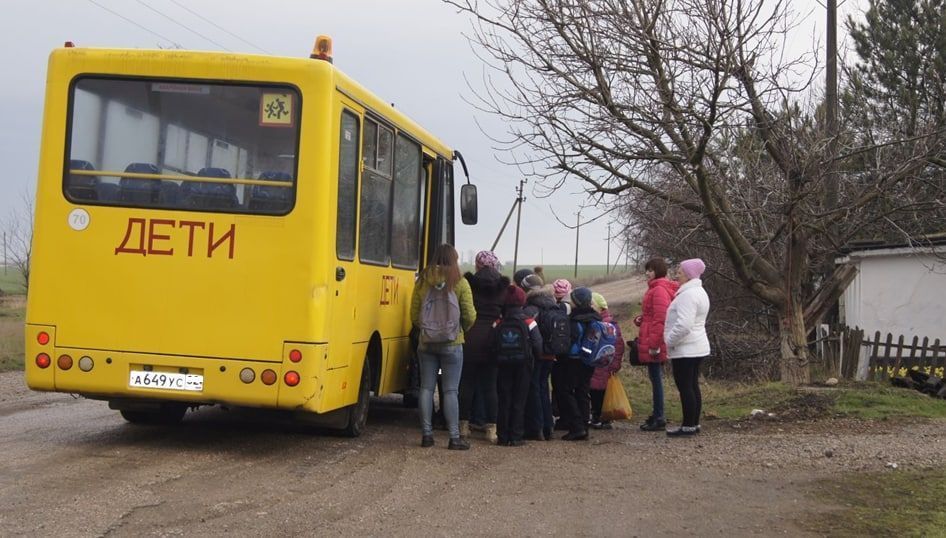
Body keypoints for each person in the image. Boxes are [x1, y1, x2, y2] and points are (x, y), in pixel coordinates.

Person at [410, 244, 476, 449]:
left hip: (426, 343)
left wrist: (427, 330)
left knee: (426, 388)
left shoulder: (422, 281)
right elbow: (469, 314)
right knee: (450, 391)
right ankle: (454, 437)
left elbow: (414, 314)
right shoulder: (460, 282)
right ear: (454, 260)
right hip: (452, 343)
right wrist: (458, 330)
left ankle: (427, 435)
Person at [460, 250, 509, 444]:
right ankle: (491, 429)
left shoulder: (468, 285)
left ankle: (463, 426)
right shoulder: (503, 288)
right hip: (493, 341)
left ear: (477, 265)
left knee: (466, 384)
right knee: (490, 386)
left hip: (470, 339)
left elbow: (464, 311)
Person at [664, 258, 711, 437]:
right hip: (697, 345)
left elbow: (684, 325)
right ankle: (693, 423)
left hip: (686, 348)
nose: (677, 275)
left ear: (689, 275)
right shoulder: (699, 292)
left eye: (681, 272)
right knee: (692, 385)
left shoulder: (688, 295)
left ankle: (688, 425)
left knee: (686, 386)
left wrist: (669, 340)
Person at [494, 285, 543, 446]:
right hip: (524, 365)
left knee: (504, 399)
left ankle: (502, 436)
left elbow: (492, 343)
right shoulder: (529, 321)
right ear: (522, 301)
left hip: (502, 364)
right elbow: (537, 344)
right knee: (519, 400)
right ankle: (516, 436)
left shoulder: (499, 322)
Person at [636, 257, 678, 431]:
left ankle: (659, 416)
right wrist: (642, 320)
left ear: (658, 271)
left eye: (651, 270)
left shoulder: (658, 289)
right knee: (655, 378)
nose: (647, 273)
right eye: (647, 270)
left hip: (654, 342)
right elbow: (653, 315)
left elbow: (661, 319)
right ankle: (657, 413)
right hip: (651, 337)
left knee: (656, 379)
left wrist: (654, 344)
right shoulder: (655, 288)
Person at [553, 286, 599, 441]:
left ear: (576, 302)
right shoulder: (595, 317)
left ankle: (577, 426)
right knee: (583, 391)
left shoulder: (574, 319)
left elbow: (569, 341)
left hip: (574, 359)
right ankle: (584, 426)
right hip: (590, 360)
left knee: (566, 391)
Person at [522, 273, 557, 440]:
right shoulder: (552, 304)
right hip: (551, 353)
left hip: (536, 354)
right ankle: (548, 426)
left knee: (534, 388)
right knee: (544, 388)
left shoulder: (530, 308)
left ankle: (536, 427)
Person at [588, 292, 623, 429]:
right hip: (600, 362)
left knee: (599, 391)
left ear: (601, 307)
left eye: (592, 305)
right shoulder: (601, 322)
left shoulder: (607, 324)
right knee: (595, 390)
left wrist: (615, 363)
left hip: (603, 364)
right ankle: (600, 416)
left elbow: (618, 345)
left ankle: (600, 416)